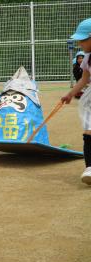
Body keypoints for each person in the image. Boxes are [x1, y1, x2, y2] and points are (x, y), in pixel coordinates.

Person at [61, 18, 91, 185]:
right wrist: (70, 94)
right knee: (89, 131)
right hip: (90, 98)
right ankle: (90, 168)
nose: (80, 43)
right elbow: (84, 80)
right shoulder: (87, 58)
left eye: (83, 40)